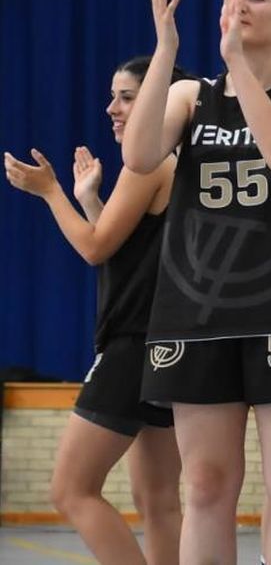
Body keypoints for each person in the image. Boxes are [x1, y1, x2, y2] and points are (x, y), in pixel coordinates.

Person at [123, 0, 271, 564]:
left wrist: (240, 69)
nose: (239, 4)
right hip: (198, 310)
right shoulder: (188, 94)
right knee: (205, 487)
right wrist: (166, 50)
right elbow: (139, 155)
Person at [4, 56, 183, 565]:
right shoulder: (180, 167)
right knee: (158, 500)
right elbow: (129, 256)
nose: (113, 108)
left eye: (127, 96)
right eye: (114, 96)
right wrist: (90, 200)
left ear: (160, 100)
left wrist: (51, 192)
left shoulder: (148, 163)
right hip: (169, 347)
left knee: (71, 489)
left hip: (132, 347)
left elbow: (94, 248)